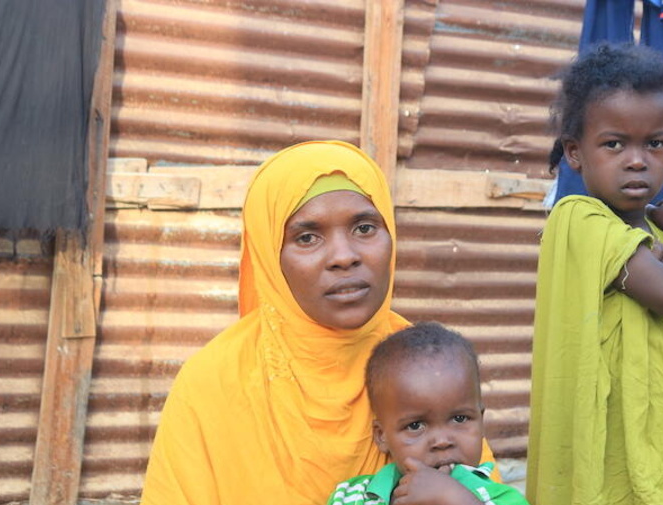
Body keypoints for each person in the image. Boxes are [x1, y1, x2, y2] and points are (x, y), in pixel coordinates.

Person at [140, 140, 498, 505]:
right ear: (270, 257)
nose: (344, 257)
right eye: (307, 237)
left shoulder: (427, 365)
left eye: (364, 228)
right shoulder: (214, 384)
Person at [527, 43, 663, 505]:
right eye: (614, 143)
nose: (637, 160)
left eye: (655, 143)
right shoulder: (578, 220)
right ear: (576, 153)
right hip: (604, 460)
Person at [328, 321, 528, 505]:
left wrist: (456, 499)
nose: (442, 441)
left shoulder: (502, 499)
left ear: (481, 422)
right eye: (415, 425)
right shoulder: (352, 496)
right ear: (382, 436)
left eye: (460, 418)